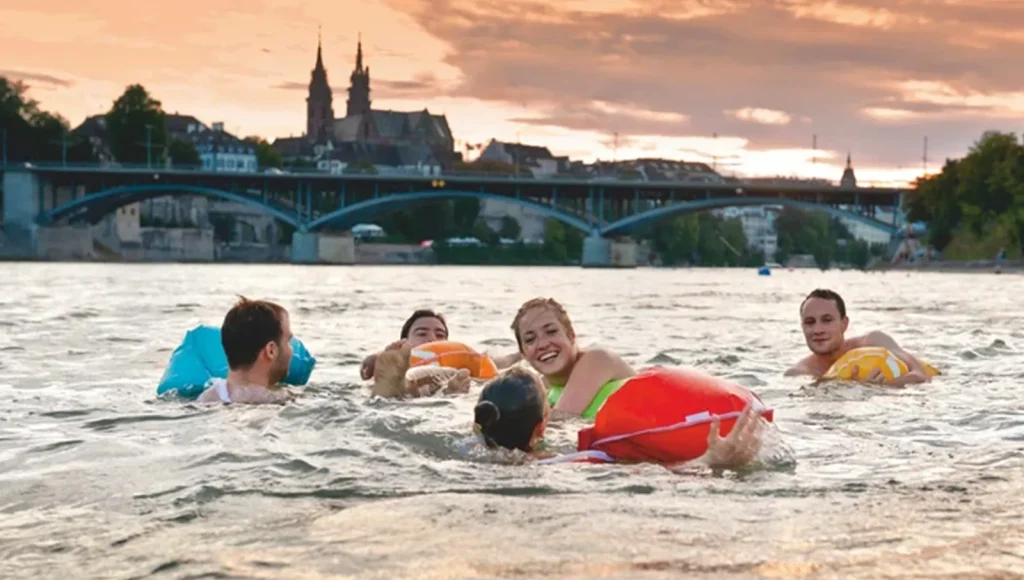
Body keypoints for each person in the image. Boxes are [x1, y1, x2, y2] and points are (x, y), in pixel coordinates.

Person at [473, 367, 762, 469]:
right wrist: (711, 461)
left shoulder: (474, 449)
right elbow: (659, 473)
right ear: (541, 427)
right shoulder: (573, 461)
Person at [511, 297, 634, 419]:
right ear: (523, 354)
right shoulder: (540, 389)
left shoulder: (597, 360)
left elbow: (564, 418)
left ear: (571, 335)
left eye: (551, 331)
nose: (543, 344)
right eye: (530, 340)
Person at [784, 288, 933, 386]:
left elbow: (921, 375)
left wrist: (884, 387)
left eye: (827, 320)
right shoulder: (799, 374)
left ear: (844, 324)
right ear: (802, 327)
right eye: (810, 322)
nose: (818, 330)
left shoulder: (874, 341)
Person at [360, 309, 520, 380]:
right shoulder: (394, 362)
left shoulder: (462, 366)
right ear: (404, 342)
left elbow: (499, 363)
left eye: (440, 335)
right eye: (422, 334)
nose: (432, 339)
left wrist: (522, 353)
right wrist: (375, 358)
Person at [196, 296, 297, 405]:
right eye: (288, 341)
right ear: (271, 350)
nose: (292, 349)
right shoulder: (279, 399)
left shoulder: (207, 398)